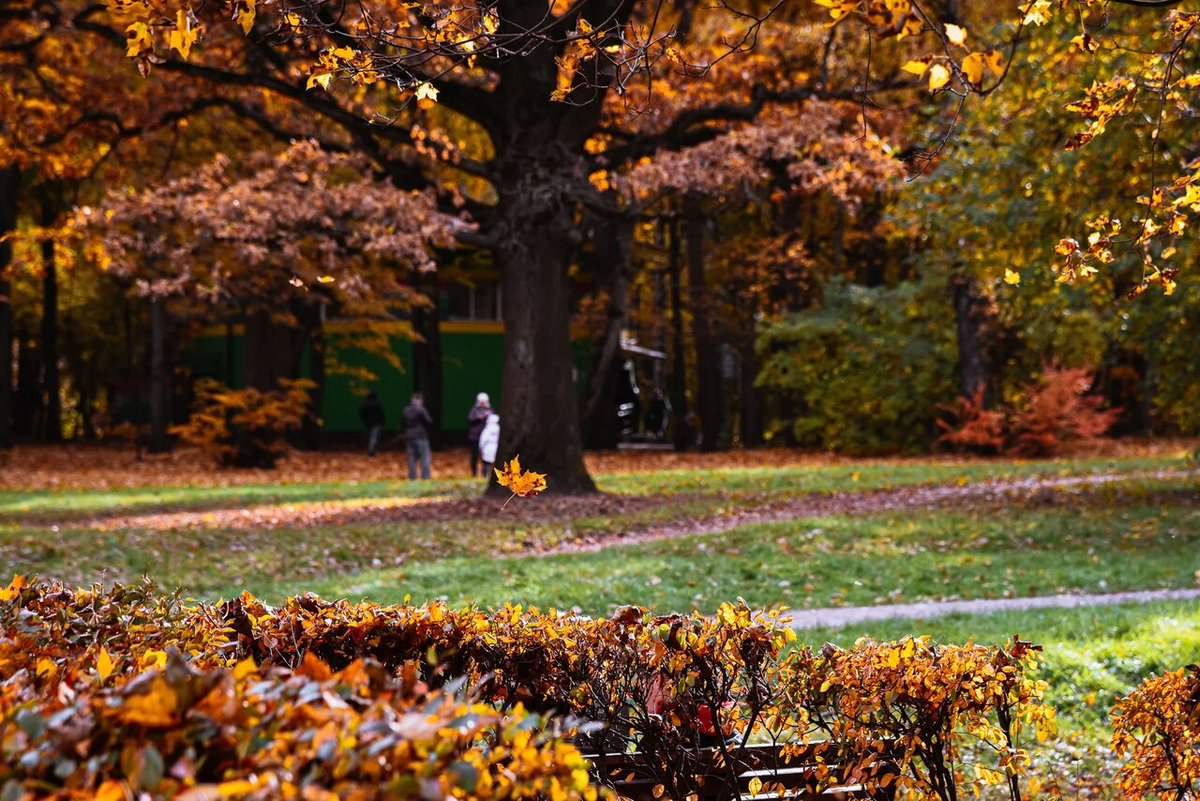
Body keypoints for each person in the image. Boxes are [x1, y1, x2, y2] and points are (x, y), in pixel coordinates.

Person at [402, 392, 434, 480]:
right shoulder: (421, 410)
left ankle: (412, 477)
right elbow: (429, 421)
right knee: (425, 457)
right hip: (421, 436)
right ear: (419, 400)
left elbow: (403, 423)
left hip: (409, 436)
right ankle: (425, 477)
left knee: (411, 458)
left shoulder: (405, 410)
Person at [466, 392, 491, 476]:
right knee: (474, 456)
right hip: (475, 437)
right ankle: (474, 474)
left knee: (486, 457)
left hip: (487, 439)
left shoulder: (490, 411)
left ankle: (485, 474)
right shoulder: (474, 410)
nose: (482, 404)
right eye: (481, 401)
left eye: (484, 402)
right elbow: (470, 419)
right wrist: (480, 418)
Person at [359, 391, 385, 457]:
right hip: (376, 423)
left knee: (370, 437)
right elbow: (381, 414)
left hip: (368, 423)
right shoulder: (378, 404)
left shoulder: (365, 404)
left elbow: (362, 414)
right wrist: (382, 422)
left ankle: (372, 451)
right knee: (374, 437)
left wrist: (365, 421)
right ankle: (371, 452)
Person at [478, 412, 500, 478]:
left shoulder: (487, 429)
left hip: (488, 447)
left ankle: (486, 476)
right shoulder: (498, 428)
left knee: (486, 462)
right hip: (495, 446)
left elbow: (483, 439)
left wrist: (480, 448)